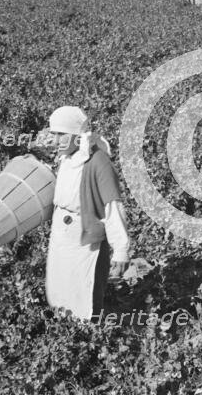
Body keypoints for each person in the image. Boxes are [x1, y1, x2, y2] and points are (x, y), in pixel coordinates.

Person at [45, 106, 130, 320]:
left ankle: (89, 338)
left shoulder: (98, 163)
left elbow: (112, 207)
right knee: (60, 291)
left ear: (77, 135)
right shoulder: (66, 159)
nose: (55, 141)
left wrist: (120, 250)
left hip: (85, 242)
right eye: (53, 134)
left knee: (84, 295)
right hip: (61, 239)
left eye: (61, 134)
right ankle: (63, 335)